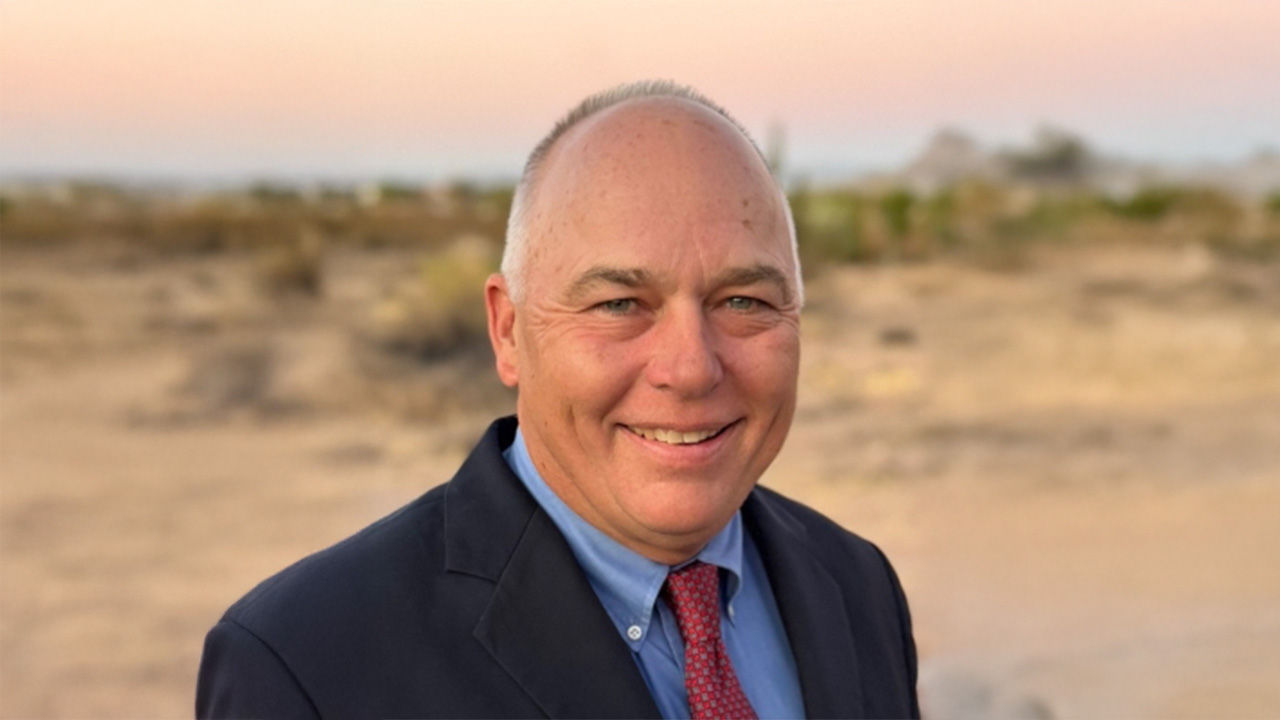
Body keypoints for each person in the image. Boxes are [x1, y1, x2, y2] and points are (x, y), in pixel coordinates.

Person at [196, 80, 918, 719]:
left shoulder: (856, 585)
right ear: (509, 331)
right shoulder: (308, 665)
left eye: (742, 300)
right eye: (618, 303)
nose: (691, 368)